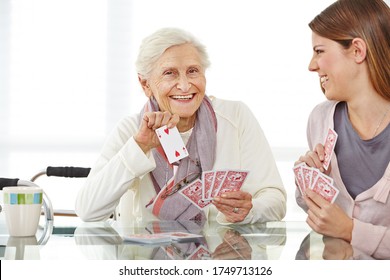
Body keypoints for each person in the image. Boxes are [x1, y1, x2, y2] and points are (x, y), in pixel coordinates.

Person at [75, 27, 286, 225]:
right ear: (145, 84)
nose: (185, 85)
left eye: (193, 71)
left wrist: (250, 210)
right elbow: (88, 210)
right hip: (150, 260)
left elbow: (275, 200)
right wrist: (139, 147)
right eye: (170, 73)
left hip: (220, 257)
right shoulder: (131, 130)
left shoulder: (236, 117)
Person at [295, 0, 390, 259]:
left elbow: (342, 226)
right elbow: (321, 216)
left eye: (319, 51)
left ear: (358, 50)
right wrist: (309, 181)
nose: (312, 65)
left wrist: (350, 230)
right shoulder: (320, 119)